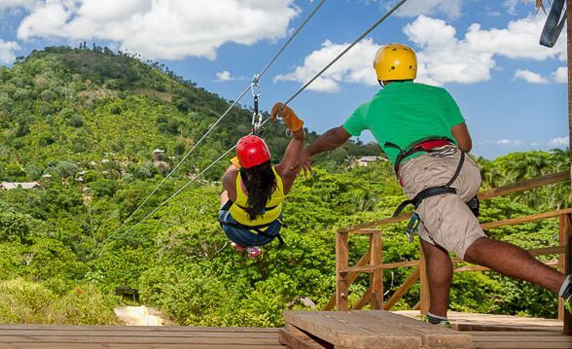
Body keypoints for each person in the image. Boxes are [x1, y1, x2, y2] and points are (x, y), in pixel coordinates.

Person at [300, 43, 572, 325]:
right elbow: (465, 144)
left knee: (471, 244)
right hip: (461, 168)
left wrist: (309, 151)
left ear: (379, 74)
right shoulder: (439, 95)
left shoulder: (371, 106)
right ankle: (437, 318)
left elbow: (336, 135)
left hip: (426, 172)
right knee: (433, 240)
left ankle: (563, 285)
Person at [219, 103, 305, 258]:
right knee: (268, 206)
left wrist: (243, 153)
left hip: (236, 231)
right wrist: (290, 117)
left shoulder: (231, 179)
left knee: (225, 194)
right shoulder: (284, 176)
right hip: (268, 232)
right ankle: (253, 244)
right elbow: (299, 139)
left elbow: (232, 168)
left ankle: (242, 243)